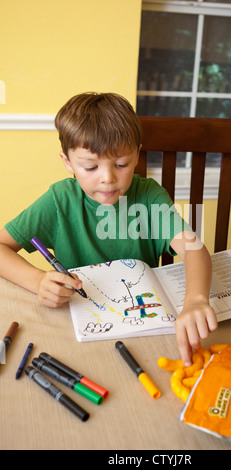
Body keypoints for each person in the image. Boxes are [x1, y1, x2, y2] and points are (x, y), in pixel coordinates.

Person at [0, 92, 217, 365]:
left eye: (121, 164)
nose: (108, 178)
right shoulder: (59, 201)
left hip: (143, 332)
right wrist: (37, 280)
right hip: (77, 334)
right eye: (90, 167)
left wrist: (196, 299)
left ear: (137, 154)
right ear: (68, 162)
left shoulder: (149, 196)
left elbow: (193, 249)